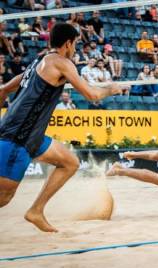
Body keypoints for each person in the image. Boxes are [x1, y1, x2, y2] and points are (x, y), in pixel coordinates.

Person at [0, 23, 122, 232]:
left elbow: (5, 88)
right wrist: (112, 88)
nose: (75, 48)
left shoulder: (40, 60)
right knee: (4, 198)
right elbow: (92, 96)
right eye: (75, 44)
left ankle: (36, 210)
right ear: (68, 43)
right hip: (18, 137)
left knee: (70, 163)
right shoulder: (63, 63)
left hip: (32, 136)